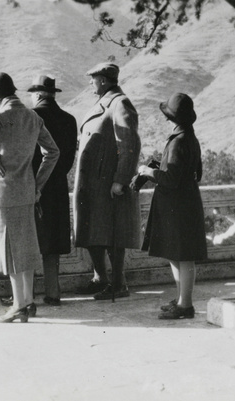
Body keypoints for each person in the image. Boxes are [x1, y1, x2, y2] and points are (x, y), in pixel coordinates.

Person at [0, 72, 59, 323]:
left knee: (10, 250)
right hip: (27, 191)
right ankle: (29, 301)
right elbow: (53, 152)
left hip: (3, 192)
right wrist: (37, 183)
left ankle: (19, 305)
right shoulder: (33, 116)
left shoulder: (0, 116)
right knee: (27, 247)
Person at [73, 62, 142, 301]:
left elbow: (129, 145)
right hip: (92, 184)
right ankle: (100, 278)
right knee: (94, 232)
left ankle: (118, 283)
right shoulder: (104, 103)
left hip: (107, 184)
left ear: (103, 80)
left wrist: (120, 180)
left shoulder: (119, 103)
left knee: (112, 234)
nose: (90, 82)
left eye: (93, 79)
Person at [136, 92, 208, 319]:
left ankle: (185, 305)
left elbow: (170, 179)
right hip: (185, 203)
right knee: (178, 254)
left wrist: (148, 171)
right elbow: (195, 173)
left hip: (178, 206)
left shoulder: (178, 141)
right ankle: (181, 301)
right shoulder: (189, 138)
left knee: (183, 256)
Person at [28, 75, 77, 305]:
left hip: (33, 185)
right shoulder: (69, 120)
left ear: (37, 95)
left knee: (27, 240)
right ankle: (53, 291)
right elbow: (67, 160)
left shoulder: (31, 117)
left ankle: (24, 294)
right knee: (52, 243)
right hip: (57, 185)